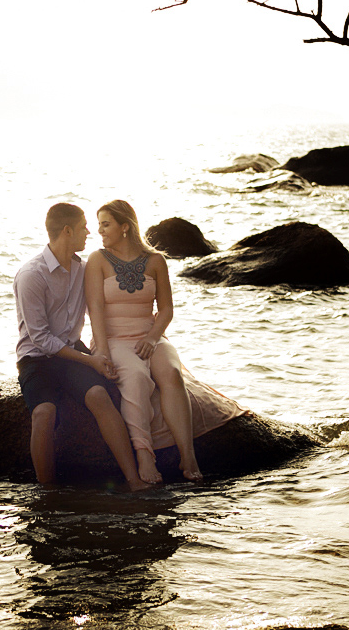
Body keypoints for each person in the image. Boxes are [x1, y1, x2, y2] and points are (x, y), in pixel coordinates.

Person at [85, 199, 246, 484]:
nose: (100, 231)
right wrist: (104, 352)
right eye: (99, 225)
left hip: (150, 334)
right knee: (136, 376)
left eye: (106, 224)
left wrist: (151, 337)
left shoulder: (156, 261)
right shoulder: (97, 260)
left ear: (125, 227)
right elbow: (95, 309)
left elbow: (167, 309)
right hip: (113, 338)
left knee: (171, 373)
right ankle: (144, 454)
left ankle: (188, 455)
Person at [14, 202, 151, 491]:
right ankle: (48, 492)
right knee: (44, 413)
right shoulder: (31, 275)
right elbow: (40, 339)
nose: (89, 232)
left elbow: (99, 309)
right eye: (83, 227)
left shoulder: (85, 270)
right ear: (67, 231)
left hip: (71, 352)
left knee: (100, 395)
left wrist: (106, 350)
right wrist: (90, 360)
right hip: (35, 358)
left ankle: (133, 479)